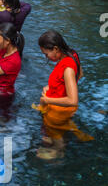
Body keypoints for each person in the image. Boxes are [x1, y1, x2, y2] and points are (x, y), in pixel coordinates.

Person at [33, 30, 93, 159]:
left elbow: (73, 100)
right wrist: (53, 87)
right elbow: (80, 74)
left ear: (55, 48)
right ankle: (56, 138)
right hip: (61, 107)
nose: (46, 57)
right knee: (53, 129)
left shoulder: (67, 68)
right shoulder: (72, 54)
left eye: (46, 53)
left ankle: (58, 151)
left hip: (59, 110)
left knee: (55, 132)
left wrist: (48, 99)